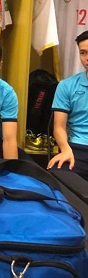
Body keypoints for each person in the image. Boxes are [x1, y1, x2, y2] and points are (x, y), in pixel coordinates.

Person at [48, 30, 88, 178]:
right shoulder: (66, 85)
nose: (87, 58)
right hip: (76, 148)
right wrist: (65, 150)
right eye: (83, 53)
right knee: (55, 176)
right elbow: (59, 127)